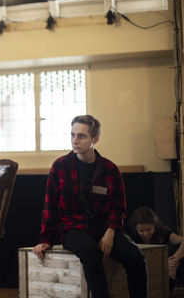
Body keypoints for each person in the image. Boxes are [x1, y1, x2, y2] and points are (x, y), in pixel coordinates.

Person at [32, 115, 148, 298]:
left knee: (137, 259)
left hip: (104, 227)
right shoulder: (60, 166)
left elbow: (117, 207)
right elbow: (50, 206)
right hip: (73, 228)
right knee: (89, 250)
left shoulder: (110, 169)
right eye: (72, 135)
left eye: (81, 136)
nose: (75, 140)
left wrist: (110, 231)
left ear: (95, 139)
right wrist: (45, 238)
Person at [129, 206, 184, 292]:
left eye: (149, 229)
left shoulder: (162, 232)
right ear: (136, 228)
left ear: (154, 224)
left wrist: (174, 260)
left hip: (169, 275)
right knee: (167, 250)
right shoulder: (132, 238)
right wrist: (165, 264)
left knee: (176, 250)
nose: (146, 234)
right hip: (147, 275)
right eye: (141, 231)